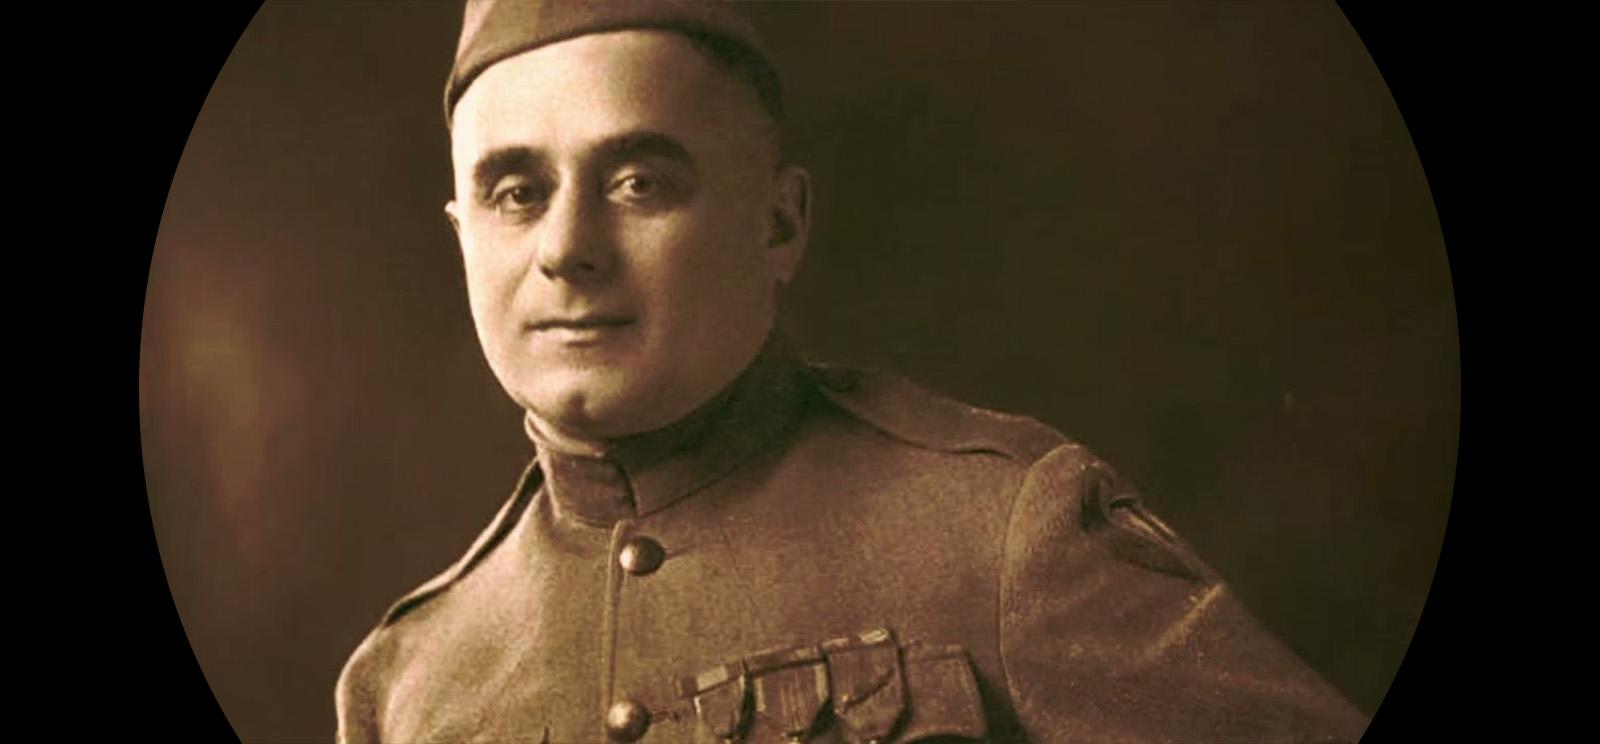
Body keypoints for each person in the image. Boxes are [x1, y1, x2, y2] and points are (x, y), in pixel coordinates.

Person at [335, 2, 1370, 741]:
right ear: (461, 234)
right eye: (516, 192)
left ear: (778, 224)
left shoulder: (1004, 530)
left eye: (641, 181)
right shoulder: (407, 682)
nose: (567, 247)